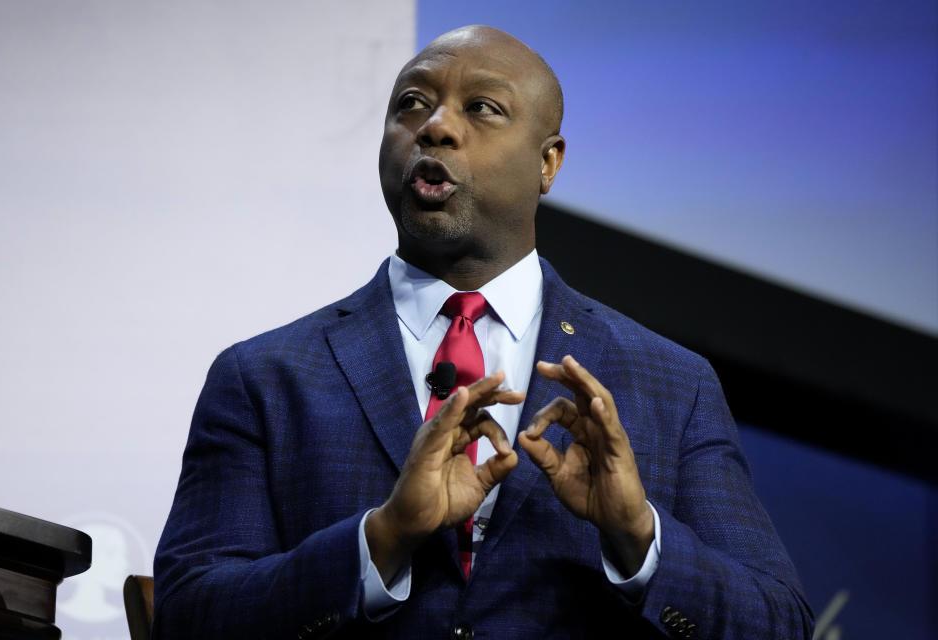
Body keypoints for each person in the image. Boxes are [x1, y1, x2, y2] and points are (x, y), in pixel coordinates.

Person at [153, 25, 814, 639]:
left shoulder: (672, 383)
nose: (435, 127)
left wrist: (638, 535)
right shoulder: (265, 376)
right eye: (412, 103)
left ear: (548, 163)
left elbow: (779, 623)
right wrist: (382, 539)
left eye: (482, 108)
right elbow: (186, 615)